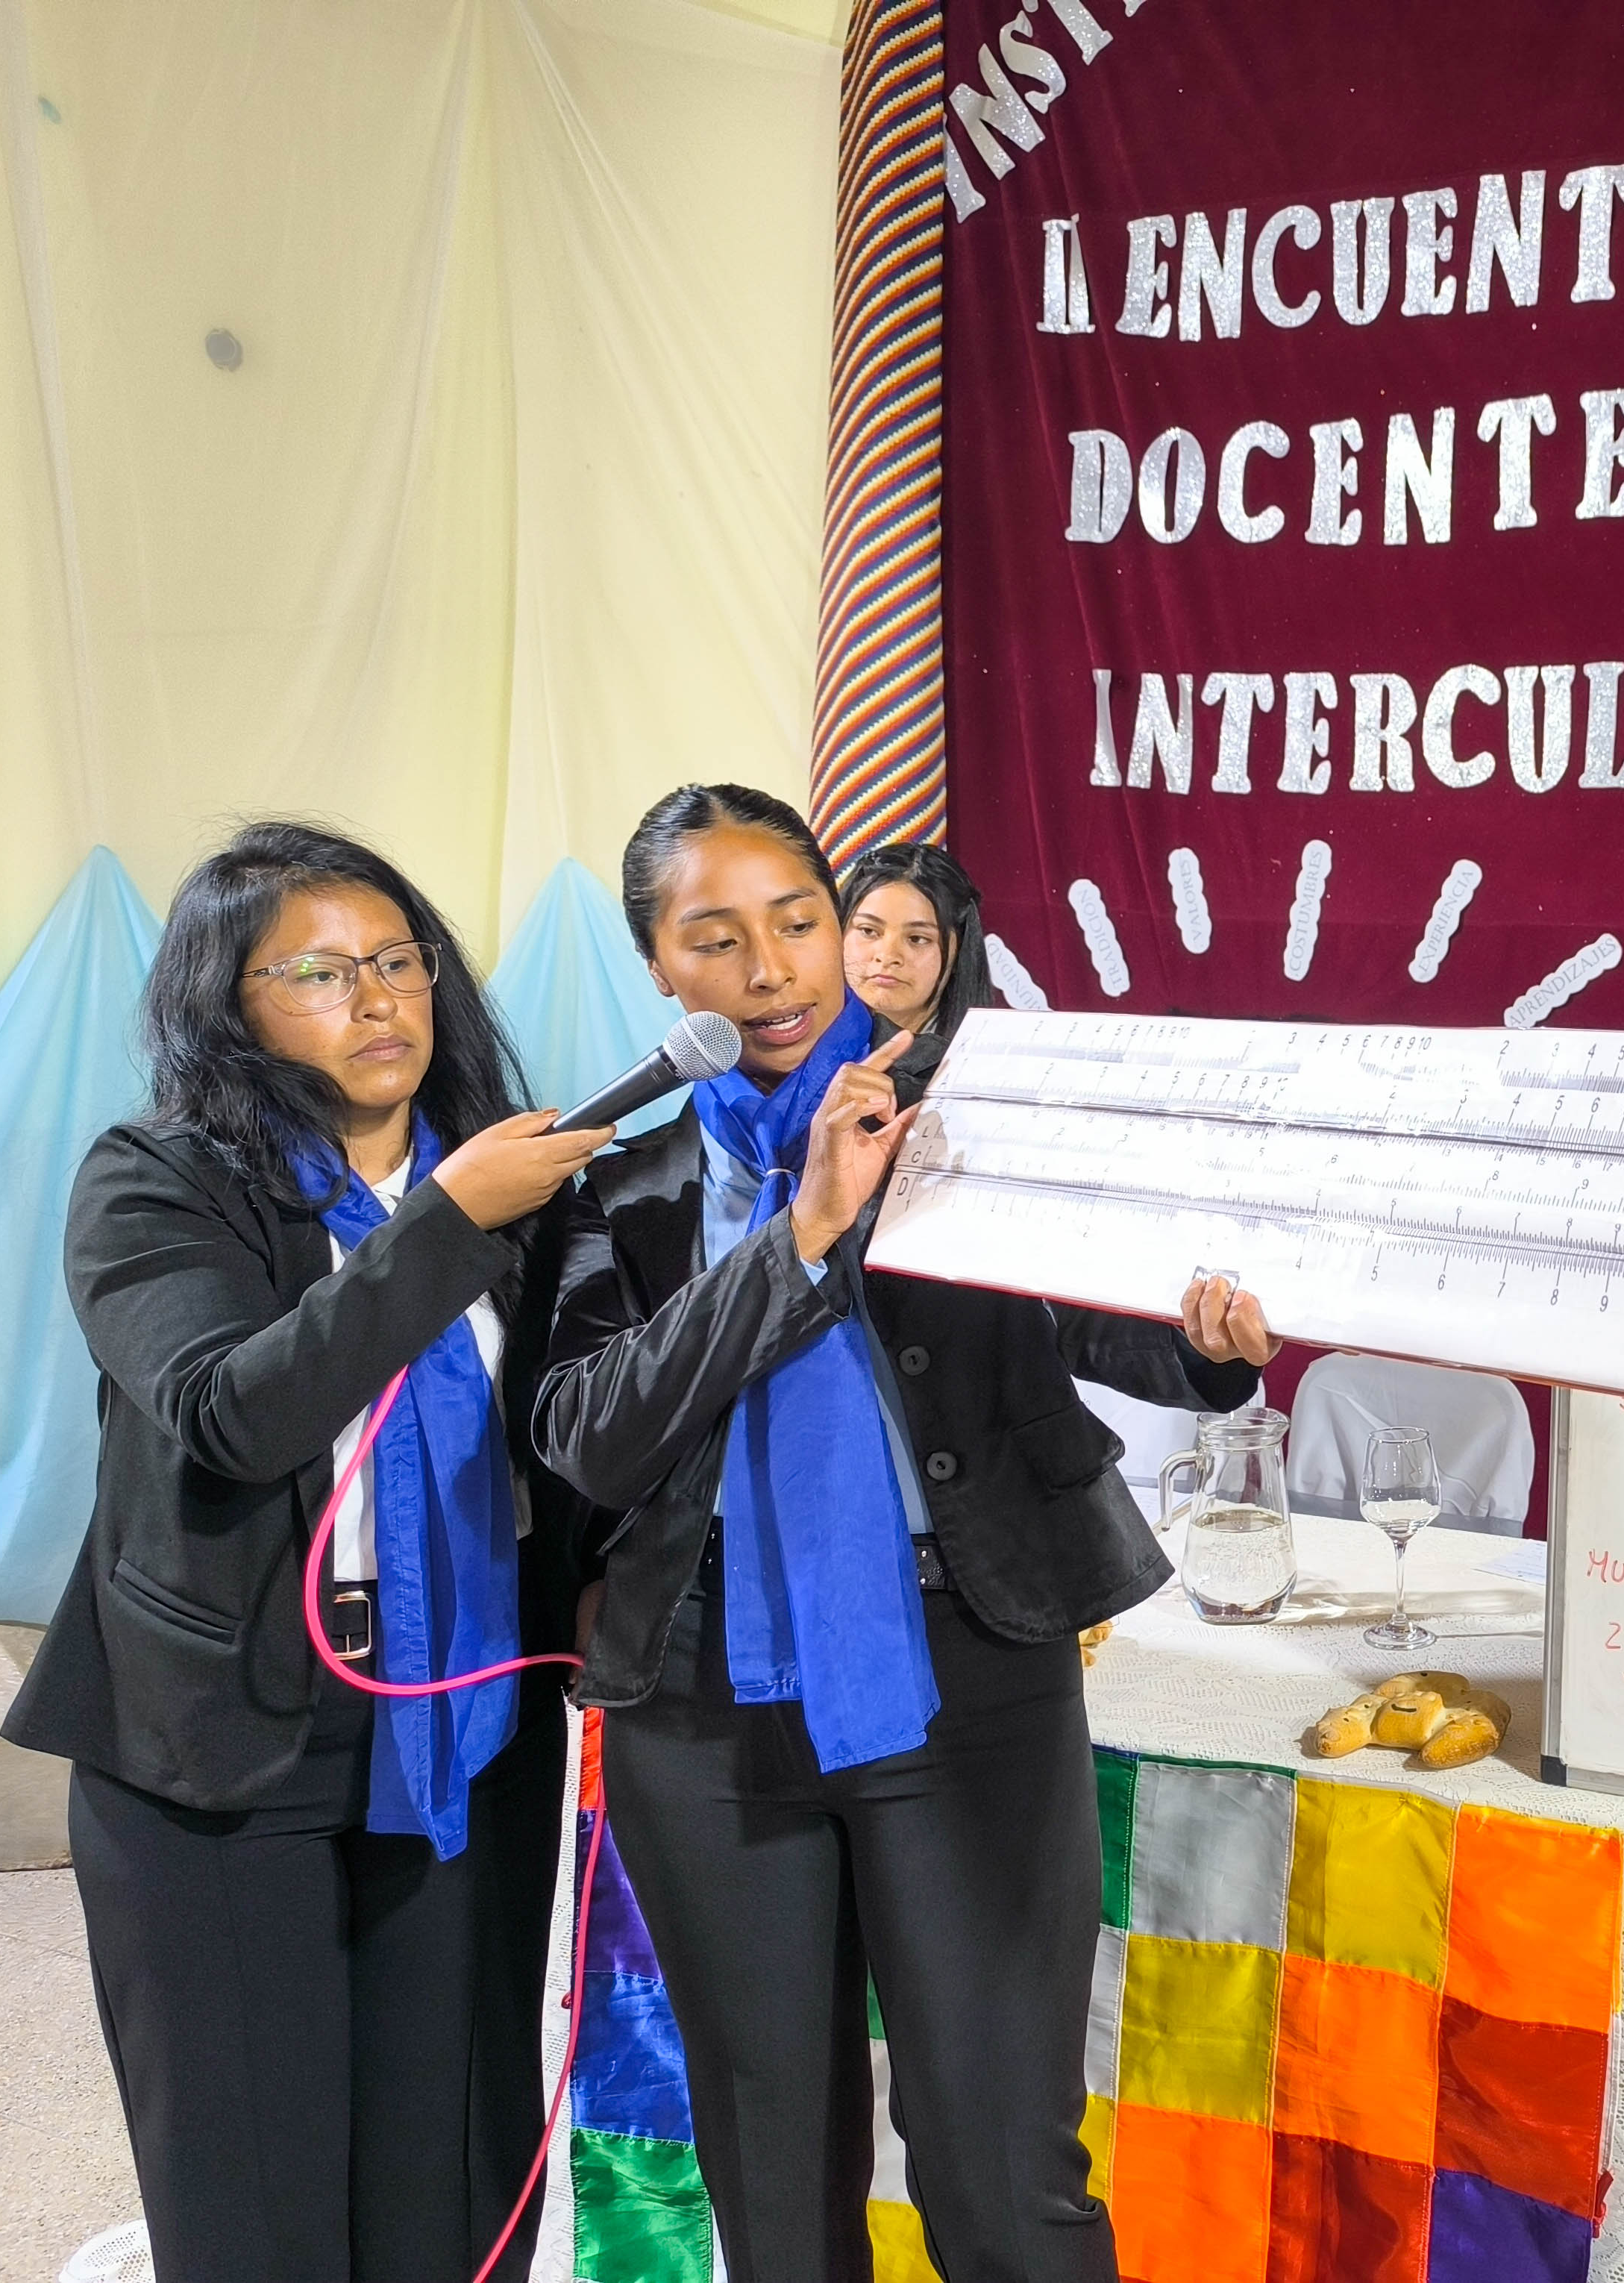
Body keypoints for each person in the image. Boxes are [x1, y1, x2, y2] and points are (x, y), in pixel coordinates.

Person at [534, 783, 1275, 2283]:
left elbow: (1097, 1318)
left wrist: (1206, 1346)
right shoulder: (617, 1187)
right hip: (705, 1706)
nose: (771, 970)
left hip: (969, 1679)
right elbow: (594, 1433)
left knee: (1004, 2172)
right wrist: (799, 1233)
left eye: (798, 922)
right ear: (660, 970)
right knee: (775, 2179)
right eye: (715, 938)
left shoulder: (959, 1137)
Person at [4, 821, 609, 2282]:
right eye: (321, 972)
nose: (377, 997)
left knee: (446, 2188)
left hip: (463, 1727)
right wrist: (445, 1225)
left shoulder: (518, 1184)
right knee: (256, 2208)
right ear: (229, 1004)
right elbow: (236, 1411)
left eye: (398, 960)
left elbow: (576, 1435)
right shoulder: (155, 1183)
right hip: (225, 1746)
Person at [839, 837, 1000, 1043]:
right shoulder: (801, 1050)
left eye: (917, 939)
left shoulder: (990, 1057)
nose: (888, 956)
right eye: (868, 931)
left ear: (959, 949)